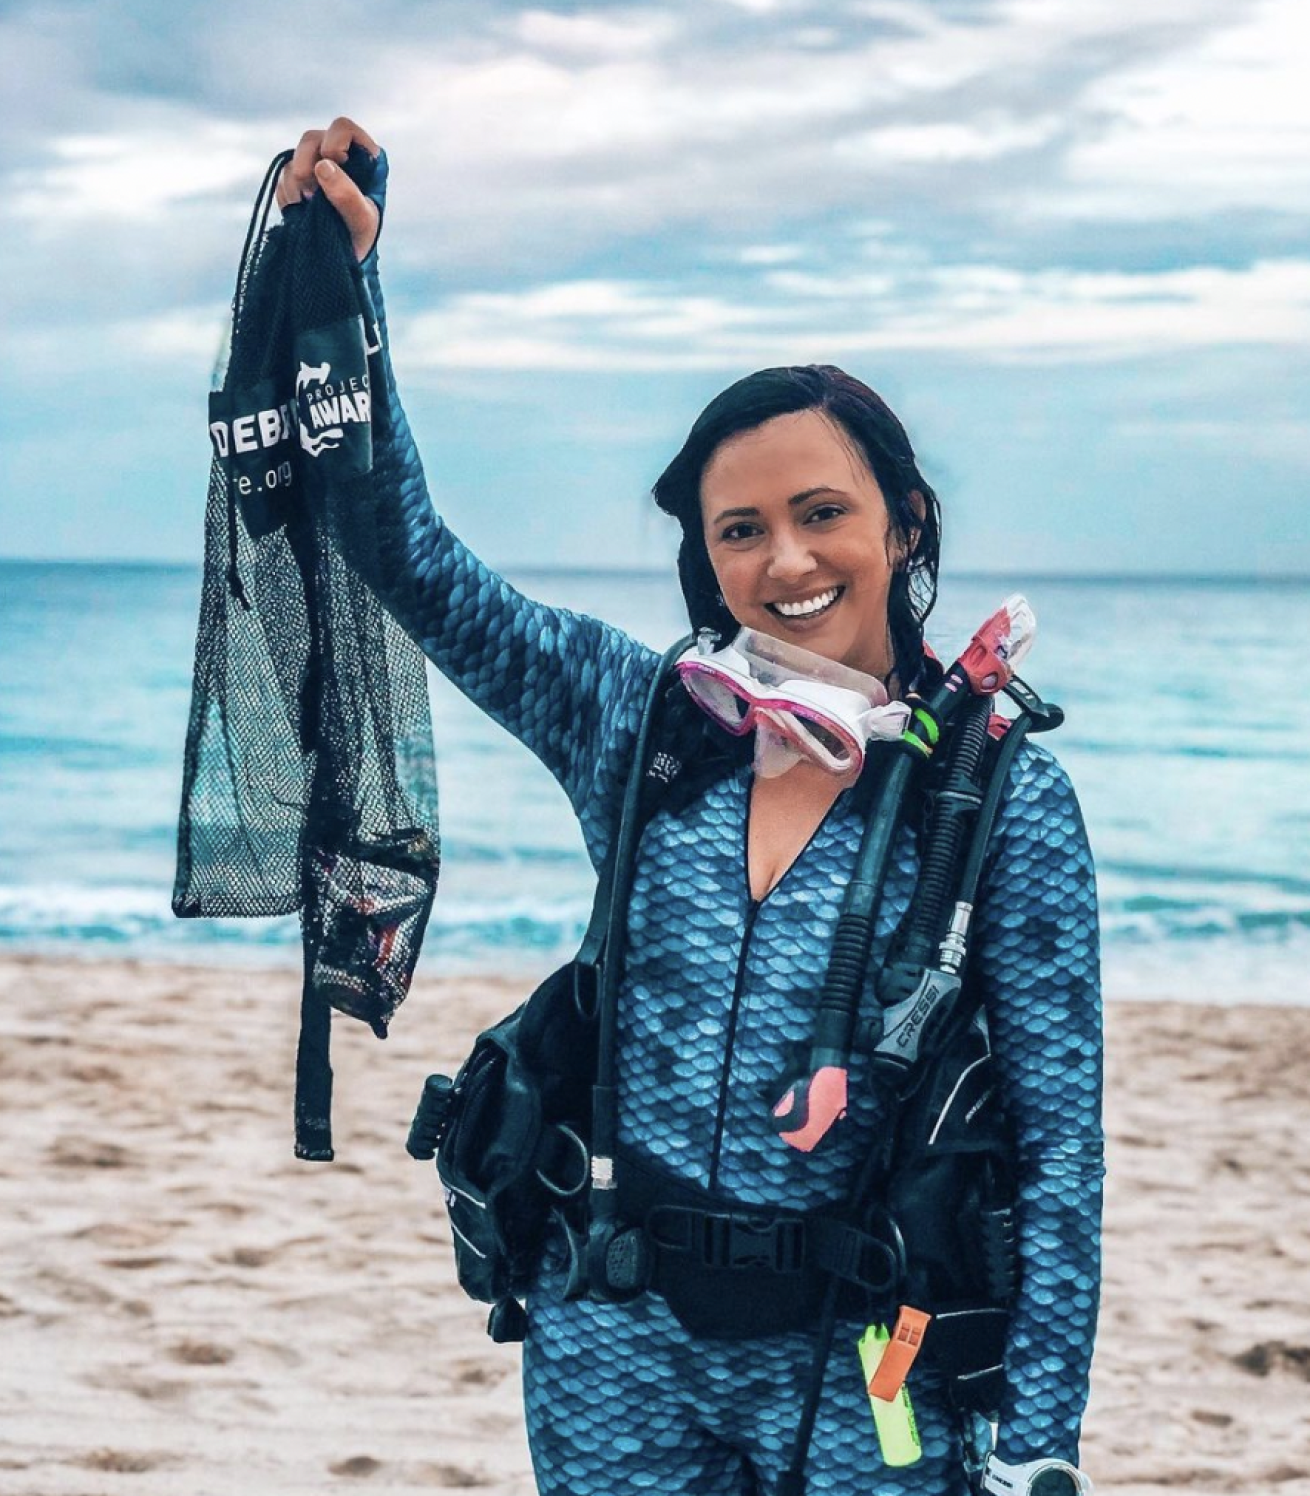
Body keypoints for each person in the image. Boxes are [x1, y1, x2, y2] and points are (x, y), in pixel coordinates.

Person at [275, 118, 1104, 1496]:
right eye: (738, 529)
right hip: (614, 1337)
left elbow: (1058, 1139)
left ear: (903, 521)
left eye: (822, 512)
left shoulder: (999, 794)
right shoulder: (636, 717)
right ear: (702, 554)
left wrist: (1038, 1443)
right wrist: (345, 286)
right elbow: (403, 557)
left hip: (871, 1366)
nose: (785, 560)